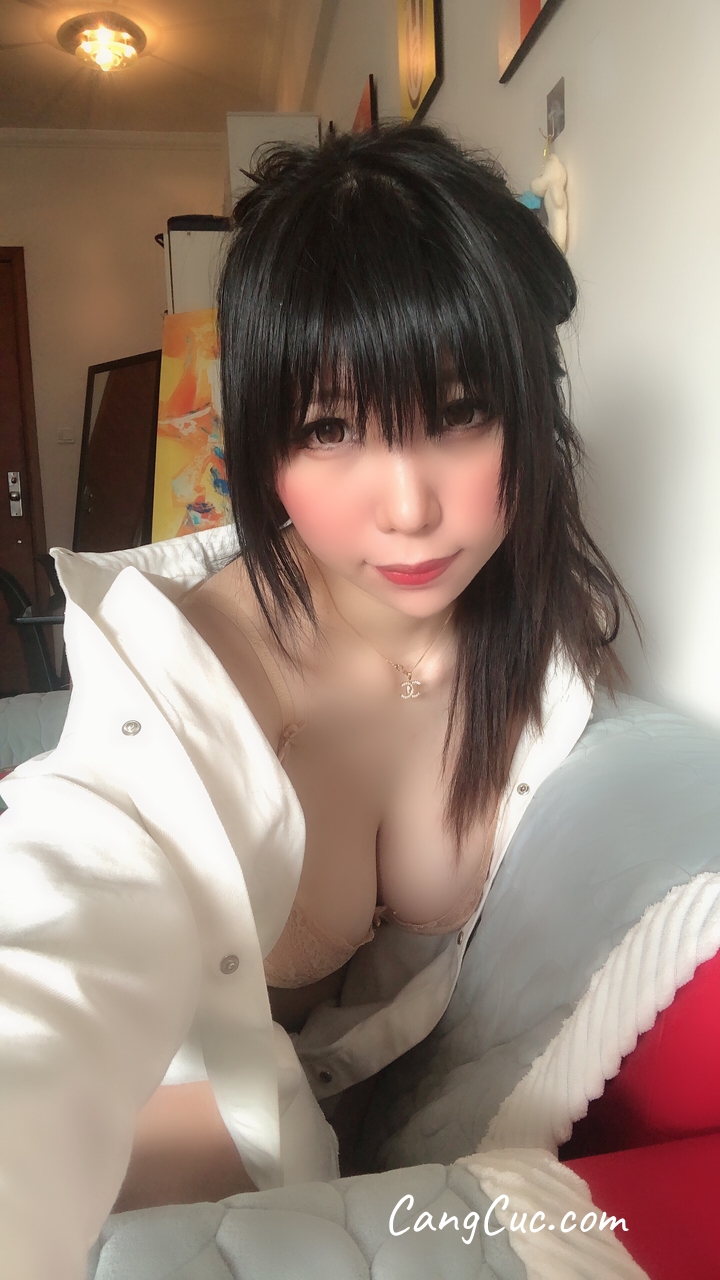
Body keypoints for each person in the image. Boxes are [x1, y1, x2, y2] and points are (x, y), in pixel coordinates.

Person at [0, 122, 634, 1277]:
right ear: (261, 448)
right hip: (186, 1147)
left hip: (392, 1151)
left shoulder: (539, 643)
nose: (409, 506)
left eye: (459, 411)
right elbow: (57, 954)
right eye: (331, 428)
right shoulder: (187, 681)